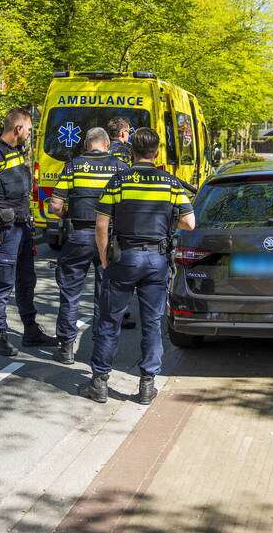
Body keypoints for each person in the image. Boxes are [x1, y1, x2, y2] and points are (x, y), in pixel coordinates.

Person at [80, 127, 196, 405]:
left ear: (131, 151)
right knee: (152, 323)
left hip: (124, 259)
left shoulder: (119, 181)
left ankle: (100, 382)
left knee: (110, 320)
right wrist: (169, 222)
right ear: (156, 152)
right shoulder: (170, 183)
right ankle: (146, 385)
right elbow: (190, 223)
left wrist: (104, 258)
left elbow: (101, 225)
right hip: (156, 261)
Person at [0, 107, 56, 357]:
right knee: (3, 283)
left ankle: (30, 331)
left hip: (23, 228)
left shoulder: (17, 152)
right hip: (6, 230)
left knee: (26, 281)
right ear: (18, 128)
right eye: (29, 129)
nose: (30, 134)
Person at [47, 127, 129, 365]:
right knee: (105, 294)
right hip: (108, 239)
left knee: (70, 292)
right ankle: (99, 347)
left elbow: (54, 206)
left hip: (78, 235)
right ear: (107, 144)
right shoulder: (118, 167)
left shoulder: (72, 166)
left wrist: (65, 213)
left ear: (86, 144)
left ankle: (66, 348)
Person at [104, 116, 137, 330]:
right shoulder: (126, 153)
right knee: (117, 268)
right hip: (119, 213)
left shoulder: (103, 152)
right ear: (124, 133)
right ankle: (118, 312)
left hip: (103, 209)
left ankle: (108, 309)